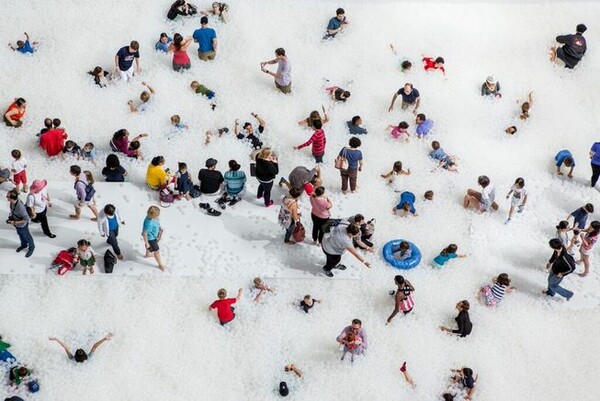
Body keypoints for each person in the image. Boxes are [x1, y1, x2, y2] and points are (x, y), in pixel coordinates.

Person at [6, 189, 34, 257]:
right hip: (17, 224)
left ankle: (31, 248)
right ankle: (24, 245)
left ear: (12, 198)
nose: (6, 197)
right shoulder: (12, 202)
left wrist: (15, 222)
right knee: (20, 235)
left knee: (27, 236)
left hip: (22, 225)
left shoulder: (20, 208)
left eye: (8, 196)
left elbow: (27, 219)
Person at [48, 333, 113, 363]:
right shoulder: (88, 357)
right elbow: (95, 346)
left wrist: (56, 339)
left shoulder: (72, 359)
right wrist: (104, 339)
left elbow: (65, 347)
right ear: (84, 354)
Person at [142, 206, 166, 271]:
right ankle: (160, 264)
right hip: (151, 238)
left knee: (149, 248)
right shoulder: (149, 222)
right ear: (152, 216)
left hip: (154, 235)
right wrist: (147, 243)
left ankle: (147, 254)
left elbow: (156, 222)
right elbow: (144, 233)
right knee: (157, 251)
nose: (158, 216)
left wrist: (159, 227)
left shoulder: (152, 218)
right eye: (157, 215)